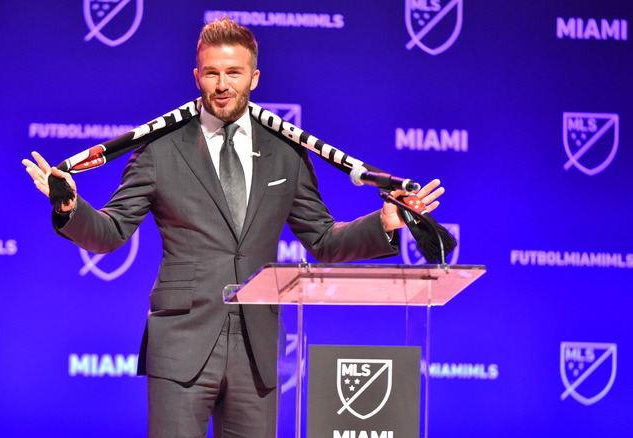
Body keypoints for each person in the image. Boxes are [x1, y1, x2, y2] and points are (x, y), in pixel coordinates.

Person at [23, 16, 444, 438]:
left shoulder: (286, 153)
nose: (222, 84)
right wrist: (70, 206)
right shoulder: (159, 151)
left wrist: (385, 223)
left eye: (234, 73)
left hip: (256, 353)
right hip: (180, 346)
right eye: (212, 73)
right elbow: (111, 232)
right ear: (197, 76)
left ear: (254, 77)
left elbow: (322, 239)